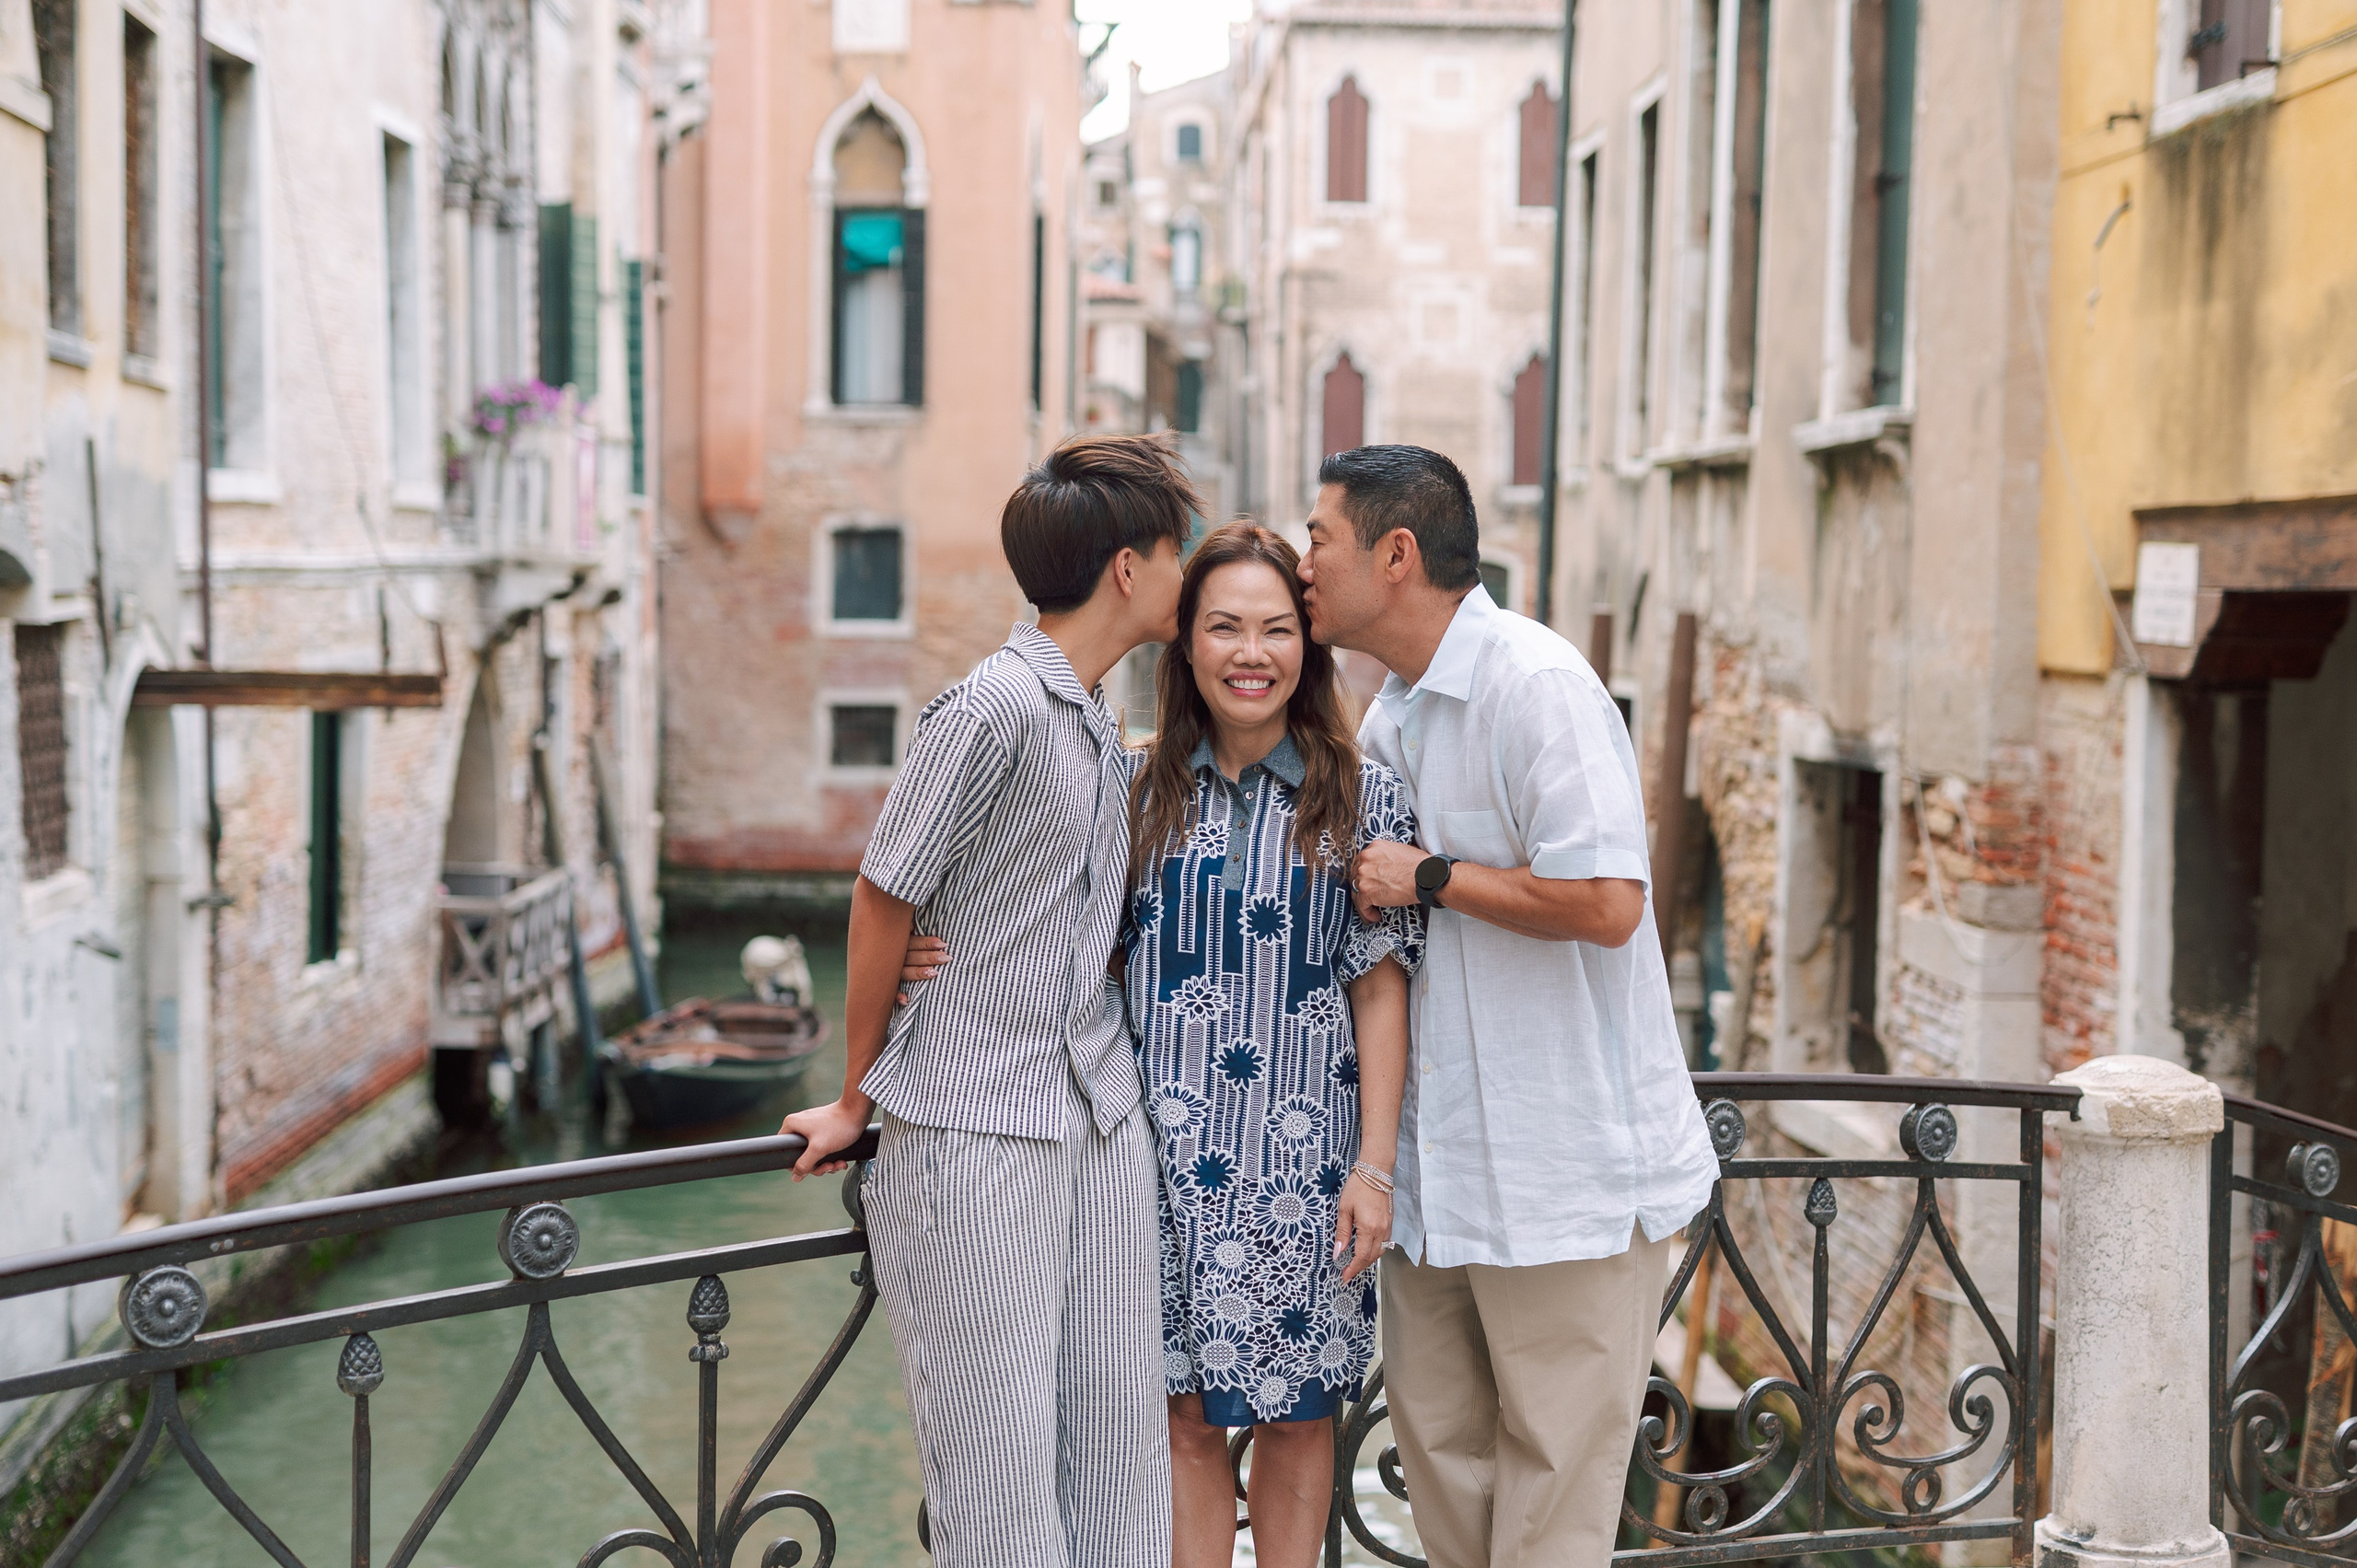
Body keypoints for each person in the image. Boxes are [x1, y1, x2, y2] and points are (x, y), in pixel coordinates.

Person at [899, 523, 1423, 1568]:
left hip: (1306, 1165)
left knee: (1298, 1414)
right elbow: (1041, 918)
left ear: (1306, 648)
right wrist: (932, 949)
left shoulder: (1361, 795)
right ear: (1183, 643)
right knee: (1177, 1418)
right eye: (1224, 625)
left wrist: (1374, 1165)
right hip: (1148, 1159)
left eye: (1277, 628)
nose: (1251, 651)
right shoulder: (1131, 791)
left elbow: (1379, 987)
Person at [1298, 445, 1721, 1568]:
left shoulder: (1536, 685)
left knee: (1553, 1509)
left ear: (1394, 556)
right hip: (1436, 1183)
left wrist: (1431, 875)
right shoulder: (1386, 717)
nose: (1303, 565)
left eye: (1318, 539)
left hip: (1565, 1176)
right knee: (1443, 1471)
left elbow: (1606, 900)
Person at [783, 432, 1199, 1568]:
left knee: (1120, 1472)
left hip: (1100, 1121)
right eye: (1178, 549)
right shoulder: (990, 710)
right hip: (973, 1129)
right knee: (999, 1489)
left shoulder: (1098, 722)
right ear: (1128, 566)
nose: (1186, 571)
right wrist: (856, 1096)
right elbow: (882, 891)